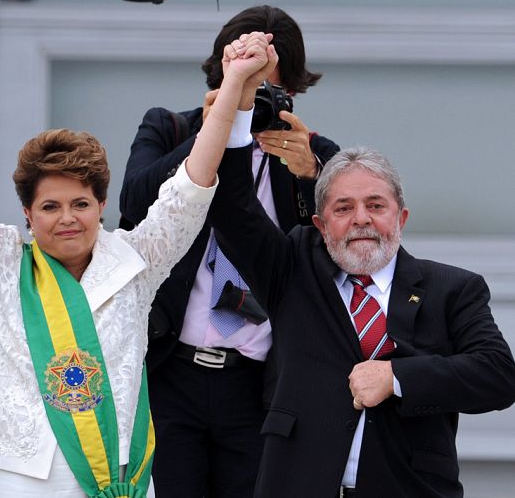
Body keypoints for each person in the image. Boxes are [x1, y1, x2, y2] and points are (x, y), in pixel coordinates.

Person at [0, 24, 276, 497]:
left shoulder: (137, 263)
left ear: (101, 206)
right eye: (50, 207)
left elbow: (191, 187)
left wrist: (235, 85)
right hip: (5, 474)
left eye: (80, 204)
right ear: (28, 215)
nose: (67, 219)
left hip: (110, 475)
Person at [200, 41, 515, 497]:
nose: (362, 219)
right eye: (344, 208)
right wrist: (239, 98)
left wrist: (398, 378)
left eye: (375, 205)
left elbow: (498, 376)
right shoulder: (291, 270)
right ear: (321, 224)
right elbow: (232, 205)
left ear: (401, 218)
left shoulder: (454, 288)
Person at [118, 5, 339, 497]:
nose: (250, 98)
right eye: (242, 81)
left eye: (262, 89)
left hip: (258, 383)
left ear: (292, 91)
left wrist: (312, 175)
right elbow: (132, 204)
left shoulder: (311, 154)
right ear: (219, 73)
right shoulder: (170, 128)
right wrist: (217, 129)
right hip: (170, 369)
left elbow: (335, 259)